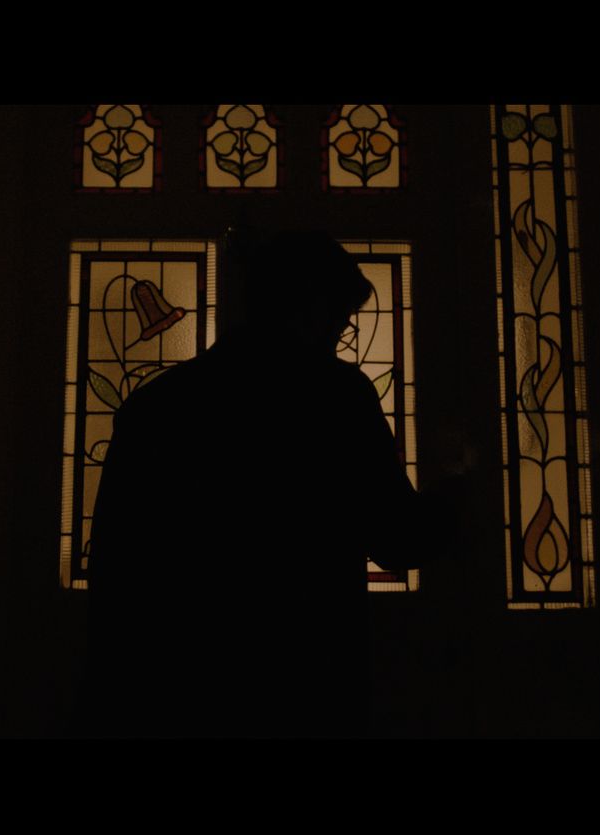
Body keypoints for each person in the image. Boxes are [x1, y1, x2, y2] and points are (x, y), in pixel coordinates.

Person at [82, 230, 424, 738]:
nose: (341, 332)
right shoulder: (337, 398)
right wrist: (459, 494)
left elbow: (115, 567)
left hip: (177, 687)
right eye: (339, 316)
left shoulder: (159, 405)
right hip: (310, 682)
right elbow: (397, 537)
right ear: (311, 308)